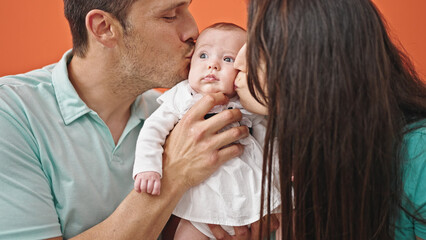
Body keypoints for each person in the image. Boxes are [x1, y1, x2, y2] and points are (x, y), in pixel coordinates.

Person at [0, 0, 262, 239]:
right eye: (170, 15)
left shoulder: (174, 112)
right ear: (104, 28)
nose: (193, 30)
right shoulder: (11, 113)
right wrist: (175, 175)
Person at [233, 0, 426, 239]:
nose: (239, 62)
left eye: (259, 47)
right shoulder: (264, 138)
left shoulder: (419, 155)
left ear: (314, 61)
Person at [132, 22, 281, 239]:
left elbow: (269, 142)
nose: (212, 65)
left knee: (289, 213)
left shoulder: (247, 103)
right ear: (189, 65)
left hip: (249, 197)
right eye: (203, 56)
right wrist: (148, 167)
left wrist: (279, 176)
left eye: (227, 59)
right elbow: (152, 130)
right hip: (202, 205)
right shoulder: (182, 98)